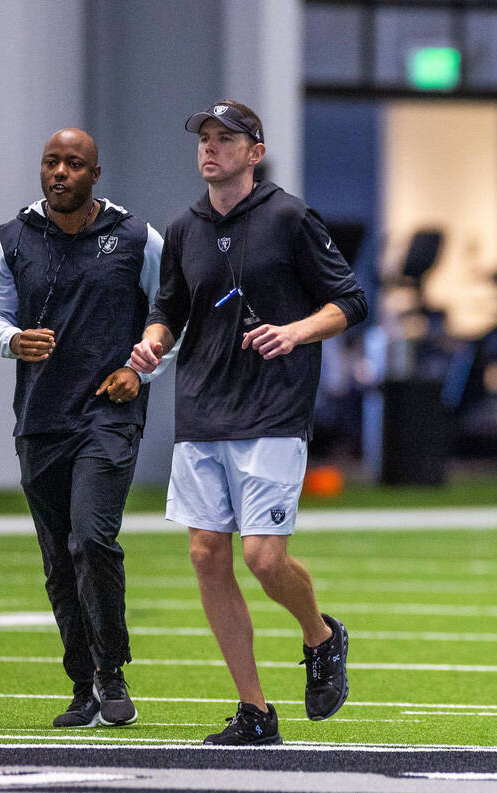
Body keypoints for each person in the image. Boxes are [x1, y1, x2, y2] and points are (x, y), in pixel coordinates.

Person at [130, 101, 368, 745]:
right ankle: (255, 711)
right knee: (207, 554)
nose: (210, 149)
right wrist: (153, 341)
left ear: (254, 152)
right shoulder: (183, 228)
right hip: (201, 408)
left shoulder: (290, 216)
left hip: (273, 409)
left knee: (264, 561)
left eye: (224, 139)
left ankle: (320, 634)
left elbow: (350, 300)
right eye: (204, 138)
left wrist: (296, 331)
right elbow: (168, 308)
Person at [0, 128, 169, 728]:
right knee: (58, 560)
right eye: (51, 162)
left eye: (74, 163)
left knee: (90, 539)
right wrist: (12, 340)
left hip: (108, 417)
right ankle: (82, 684)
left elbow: (172, 316)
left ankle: (112, 671)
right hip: (39, 420)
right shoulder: (12, 239)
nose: (60, 172)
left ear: (96, 173)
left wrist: (140, 373)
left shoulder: (137, 237)